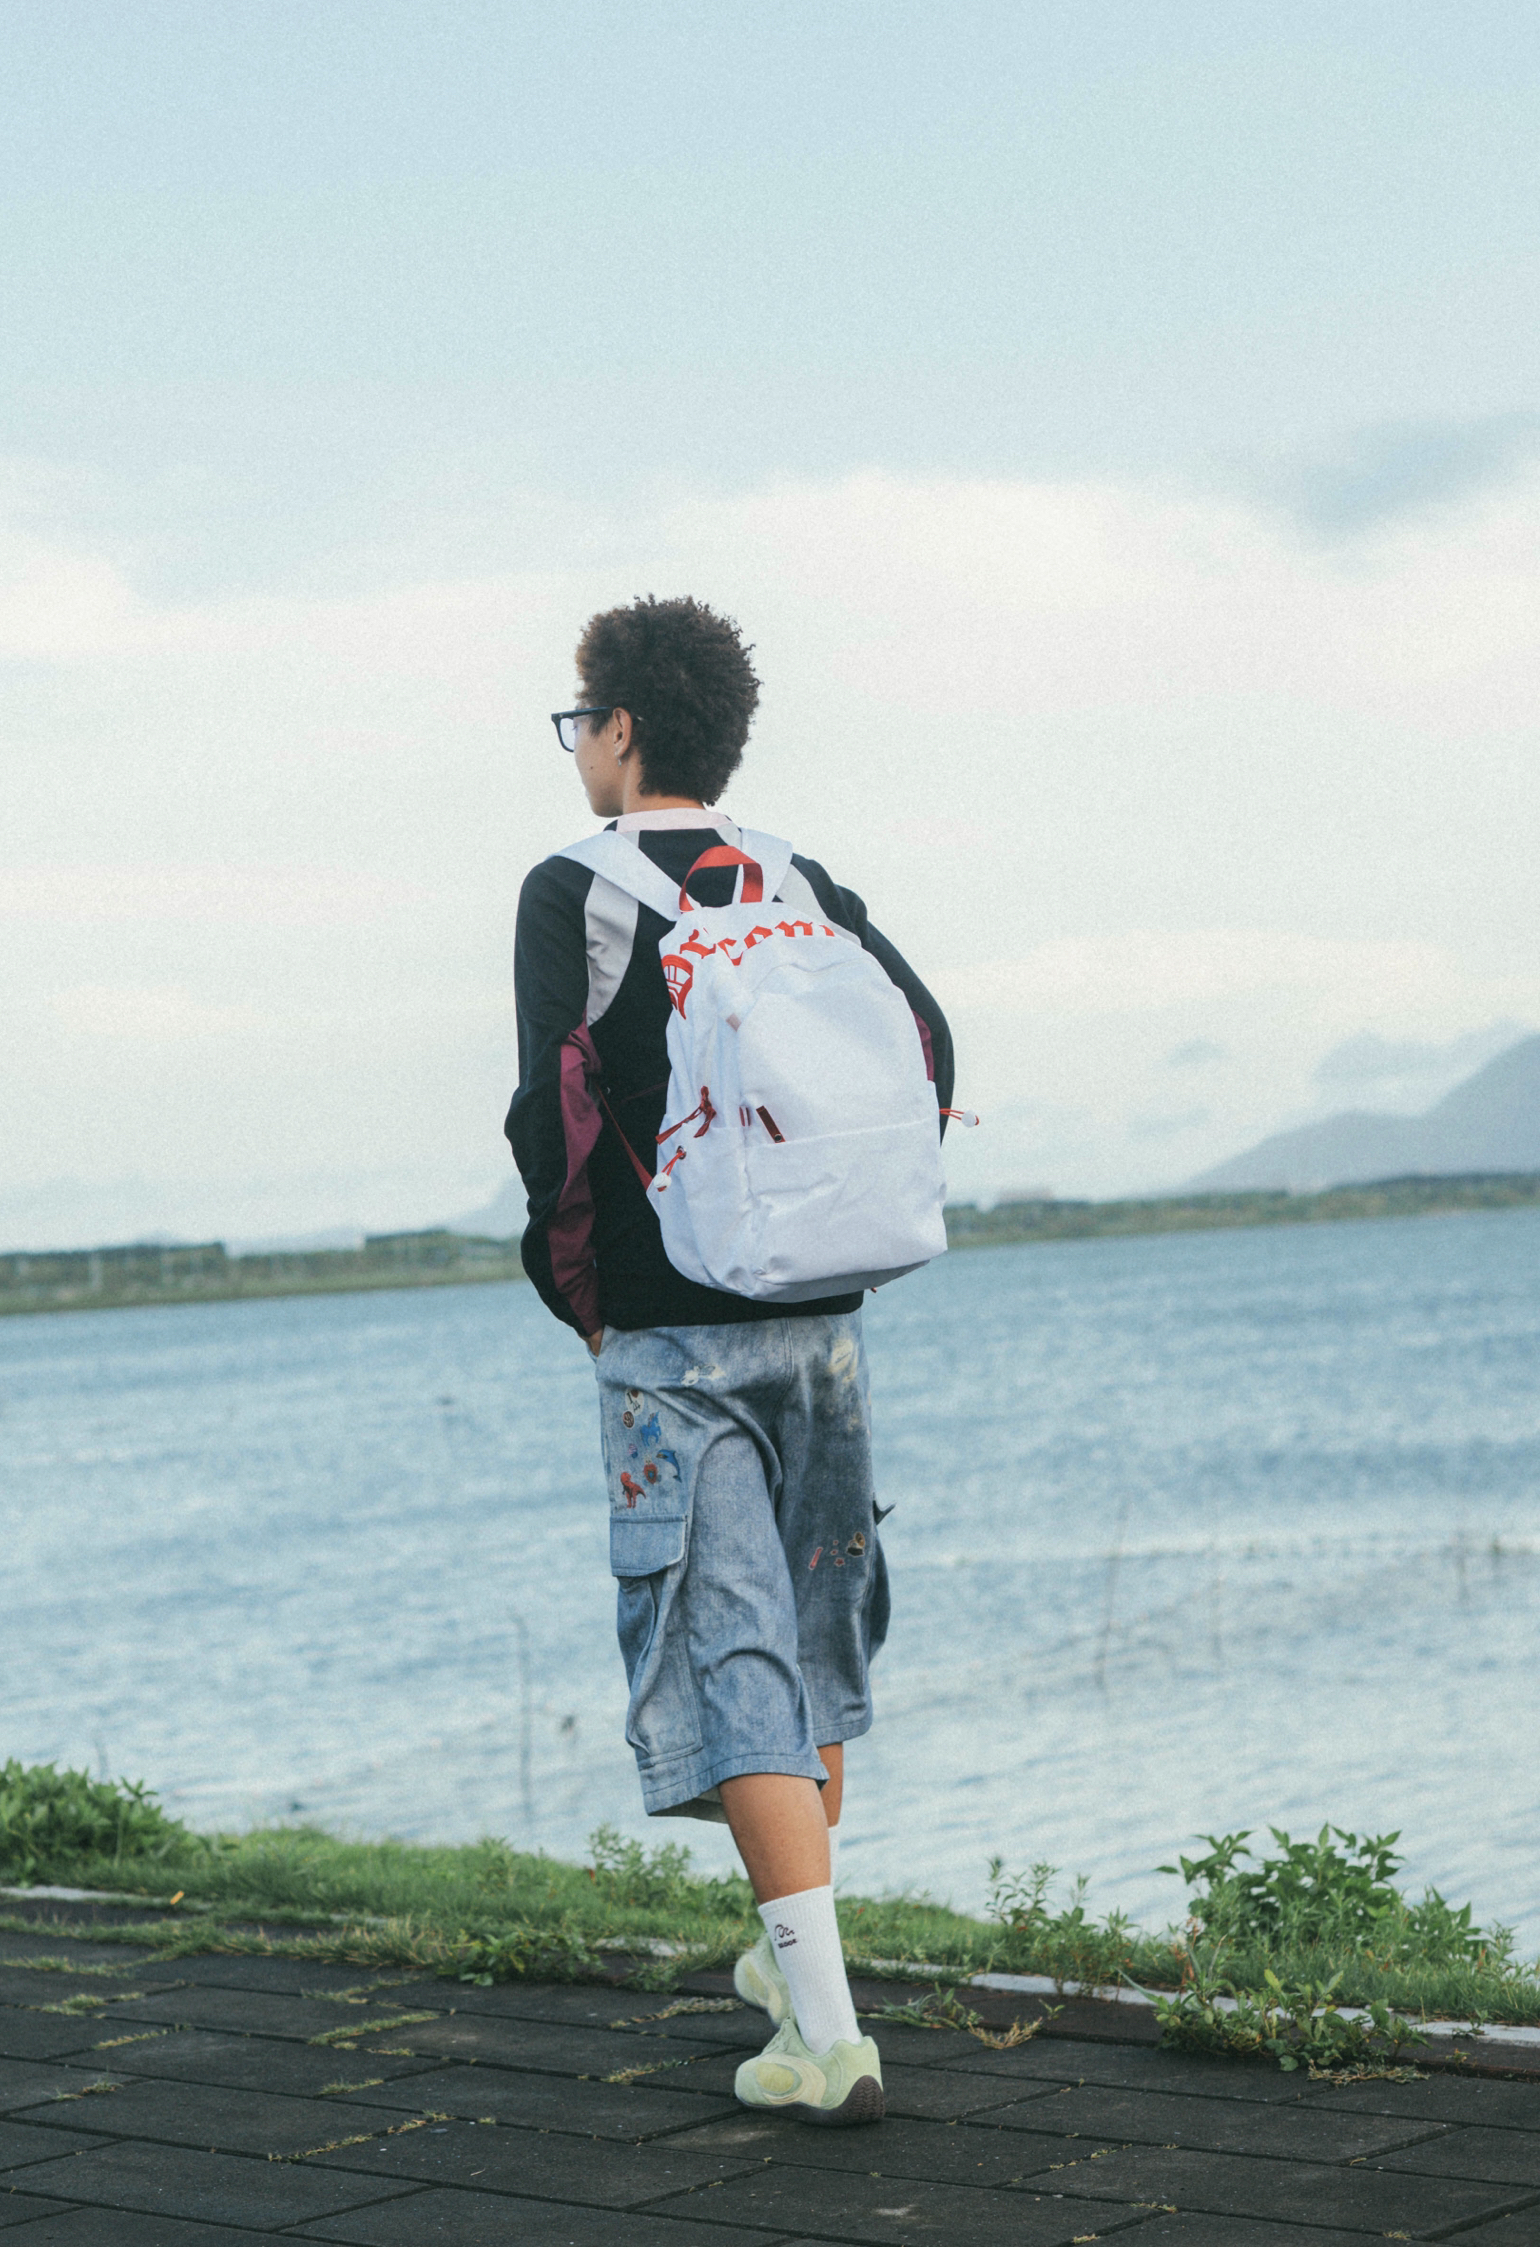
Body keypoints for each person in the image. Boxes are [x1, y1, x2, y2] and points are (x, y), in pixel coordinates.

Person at [506, 594, 954, 2125]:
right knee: (811, 1645)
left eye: (579, 721)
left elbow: (551, 1117)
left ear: (622, 726)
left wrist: (581, 1296)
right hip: (820, 1321)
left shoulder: (576, 887)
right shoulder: (794, 877)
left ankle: (826, 2044)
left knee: (729, 1652)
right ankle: (786, 1956)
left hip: (670, 1328)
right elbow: (924, 1043)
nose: (578, 748)